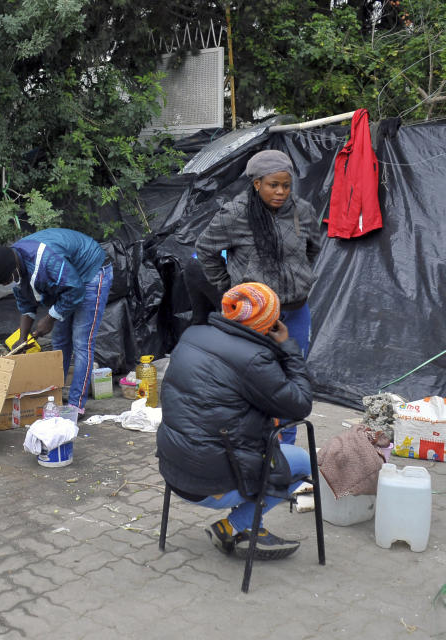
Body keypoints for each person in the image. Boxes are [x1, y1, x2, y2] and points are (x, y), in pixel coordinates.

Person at [156, 282, 313, 560]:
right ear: (270, 321)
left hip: (173, 468)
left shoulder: (193, 334)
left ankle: (248, 528)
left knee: (260, 442)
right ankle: (234, 526)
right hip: (210, 482)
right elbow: (300, 405)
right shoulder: (255, 359)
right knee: (303, 462)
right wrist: (288, 347)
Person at [195, 149, 322, 444]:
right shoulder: (235, 214)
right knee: (253, 380)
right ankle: (254, 447)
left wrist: (298, 275)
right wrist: (229, 288)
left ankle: (285, 451)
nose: (280, 192)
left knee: (291, 379)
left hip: (295, 312)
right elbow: (205, 250)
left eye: (286, 185)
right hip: (253, 317)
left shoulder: (302, 212)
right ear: (256, 184)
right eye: (272, 185)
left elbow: (312, 248)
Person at [0, 228, 112, 415]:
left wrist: (50, 318)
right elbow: (25, 303)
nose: (6, 285)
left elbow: (75, 290)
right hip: (69, 280)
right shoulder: (15, 265)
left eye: (5, 281)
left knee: (81, 342)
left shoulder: (45, 262)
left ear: (13, 269)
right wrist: (23, 337)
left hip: (91, 272)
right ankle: (55, 397)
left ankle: (75, 406)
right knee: (59, 342)